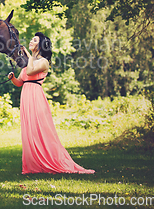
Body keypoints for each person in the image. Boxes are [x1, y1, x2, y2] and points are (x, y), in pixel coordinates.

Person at [8, 32, 95, 175]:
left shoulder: (43, 62)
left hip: (36, 96)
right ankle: (34, 166)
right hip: (26, 97)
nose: (31, 41)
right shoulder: (30, 61)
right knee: (29, 131)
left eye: (34, 40)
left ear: (40, 45)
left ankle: (51, 160)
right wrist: (12, 78)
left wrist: (30, 56)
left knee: (41, 130)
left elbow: (30, 71)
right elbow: (20, 82)